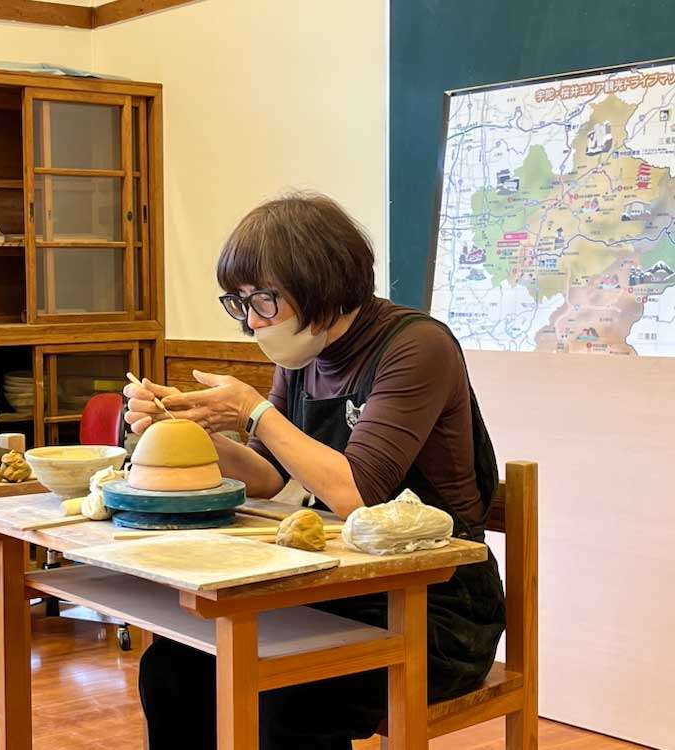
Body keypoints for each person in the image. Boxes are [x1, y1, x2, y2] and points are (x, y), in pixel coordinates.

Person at [124, 193, 506, 750]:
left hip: (434, 605)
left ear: (321, 283)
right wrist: (193, 432)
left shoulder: (417, 346)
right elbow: (270, 478)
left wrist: (254, 411)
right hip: (345, 582)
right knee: (174, 668)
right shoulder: (304, 354)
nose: (251, 321)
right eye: (240, 303)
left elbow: (357, 495)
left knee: (287, 694)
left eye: (264, 301)